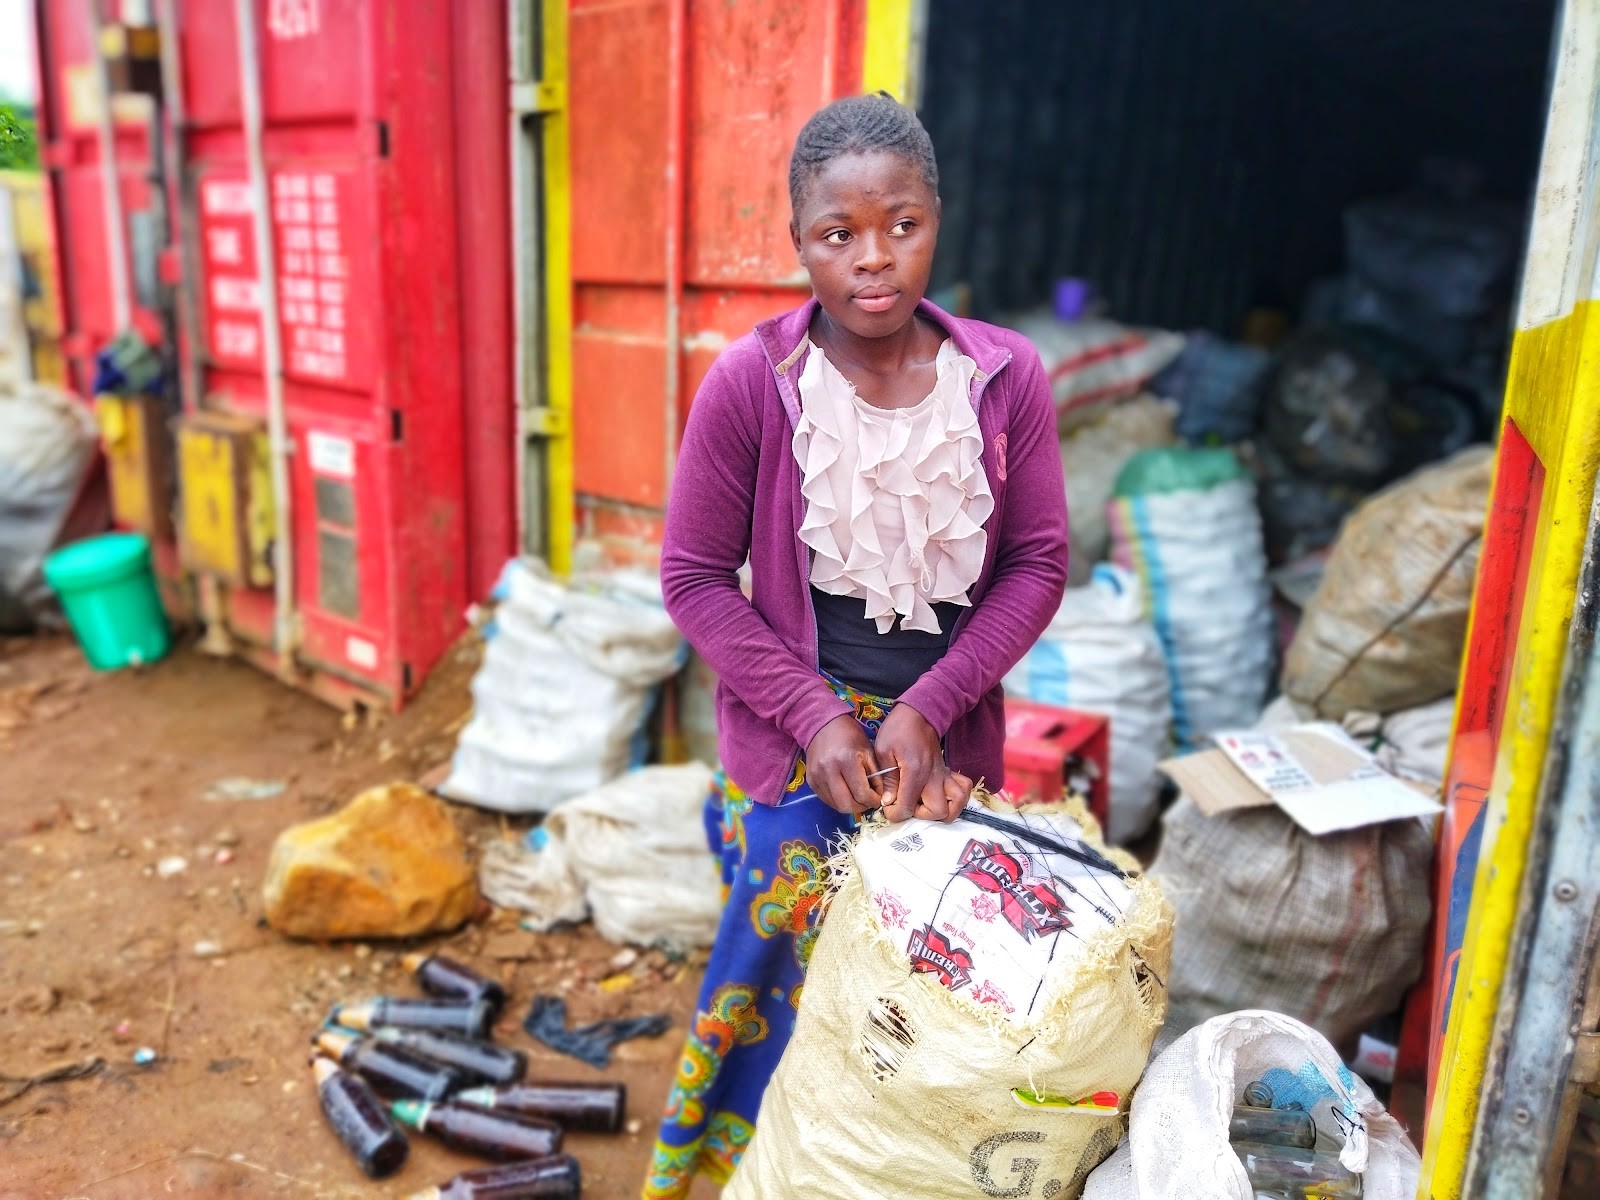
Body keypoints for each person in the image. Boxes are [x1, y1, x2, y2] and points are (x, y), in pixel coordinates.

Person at [643, 92, 1069, 1198]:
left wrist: (927, 710)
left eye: (902, 225)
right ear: (798, 245)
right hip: (797, 750)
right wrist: (816, 715)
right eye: (839, 236)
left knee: (918, 1001)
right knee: (771, 987)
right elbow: (693, 579)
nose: (872, 261)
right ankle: (739, 1178)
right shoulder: (757, 385)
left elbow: (1035, 565)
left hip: (945, 750)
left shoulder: (1004, 380)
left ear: (937, 219)